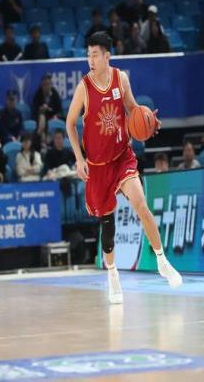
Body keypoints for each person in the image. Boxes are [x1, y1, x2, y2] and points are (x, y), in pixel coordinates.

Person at [65, 32, 182, 304]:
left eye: (95, 55)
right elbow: (69, 124)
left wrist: (148, 121)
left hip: (121, 157)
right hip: (97, 167)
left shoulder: (121, 79)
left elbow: (133, 110)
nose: (91, 60)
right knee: (108, 227)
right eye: (88, 55)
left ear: (107, 56)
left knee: (141, 204)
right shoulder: (84, 88)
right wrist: (79, 159)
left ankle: (162, 261)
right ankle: (112, 274)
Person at [32, 73, 62, 139]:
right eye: (45, 84)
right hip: (40, 117)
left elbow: (59, 109)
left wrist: (56, 115)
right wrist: (41, 109)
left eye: (48, 84)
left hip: (52, 116)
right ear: (42, 85)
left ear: (51, 84)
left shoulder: (54, 93)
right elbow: (34, 109)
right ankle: (40, 137)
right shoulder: (38, 94)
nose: (47, 86)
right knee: (42, 119)